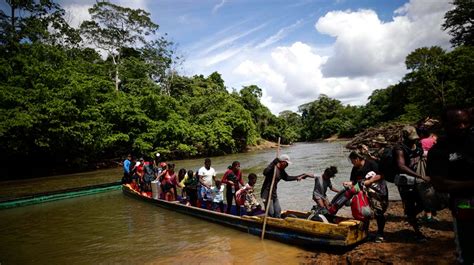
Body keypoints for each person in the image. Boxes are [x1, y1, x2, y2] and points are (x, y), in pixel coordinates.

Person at [427, 107, 474, 264]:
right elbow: (439, 183)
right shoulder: (439, 150)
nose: (462, 126)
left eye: (465, 122)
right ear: (445, 125)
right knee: (467, 246)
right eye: (456, 123)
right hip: (464, 203)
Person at [393, 125, 430, 242]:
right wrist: (420, 176)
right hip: (405, 182)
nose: (414, 139)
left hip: (418, 180)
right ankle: (417, 232)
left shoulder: (417, 146)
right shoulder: (399, 148)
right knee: (410, 204)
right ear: (405, 137)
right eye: (411, 138)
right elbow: (401, 166)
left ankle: (411, 216)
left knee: (424, 202)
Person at [345, 150, 388, 243]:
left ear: (357, 159)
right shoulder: (355, 169)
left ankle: (380, 233)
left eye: (352, 161)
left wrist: (370, 181)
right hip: (363, 193)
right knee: (364, 212)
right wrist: (349, 183)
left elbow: (381, 175)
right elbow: (353, 181)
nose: (352, 163)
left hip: (377, 192)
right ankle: (365, 232)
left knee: (379, 212)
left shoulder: (372, 164)